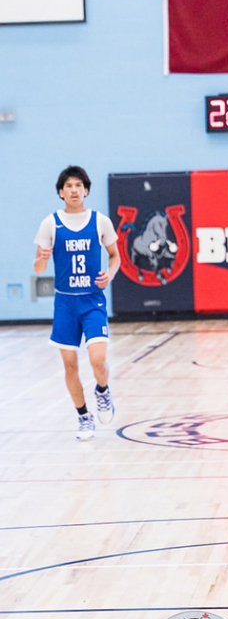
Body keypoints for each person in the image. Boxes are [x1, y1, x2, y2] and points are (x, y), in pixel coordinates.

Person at [33, 165, 120, 440]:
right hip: (66, 304)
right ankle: (84, 416)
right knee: (70, 366)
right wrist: (42, 259)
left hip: (93, 301)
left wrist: (111, 274)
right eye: (68, 186)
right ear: (61, 192)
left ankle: (103, 392)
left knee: (98, 361)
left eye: (78, 185)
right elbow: (37, 267)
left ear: (86, 190)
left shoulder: (100, 221)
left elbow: (115, 256)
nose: (73, 190)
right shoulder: (50, 223)